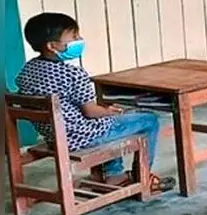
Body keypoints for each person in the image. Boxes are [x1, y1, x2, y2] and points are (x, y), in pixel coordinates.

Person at [14, 12, 175, 193]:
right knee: (148, 120)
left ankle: (114, 175)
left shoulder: (26, 72)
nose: (80, 39)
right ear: (52, 46)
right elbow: (90, 112)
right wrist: (109, 111)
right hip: (82, 138)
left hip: (55, 137)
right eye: (74, 37)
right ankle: (143, 176)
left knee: (111, 123)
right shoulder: (73, 74)